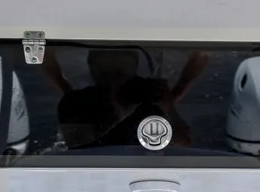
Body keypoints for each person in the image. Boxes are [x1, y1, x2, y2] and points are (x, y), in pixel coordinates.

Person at [43, 48, 209, 149]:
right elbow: (77, 147)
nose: (114, 81)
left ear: (134, 68)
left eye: (121, 73)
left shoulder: (148, 96)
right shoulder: (77, 102)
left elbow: (183, 141)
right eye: (105, 74)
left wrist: (169, 105)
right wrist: (119, 114)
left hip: (147, 174)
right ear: (91, 68)